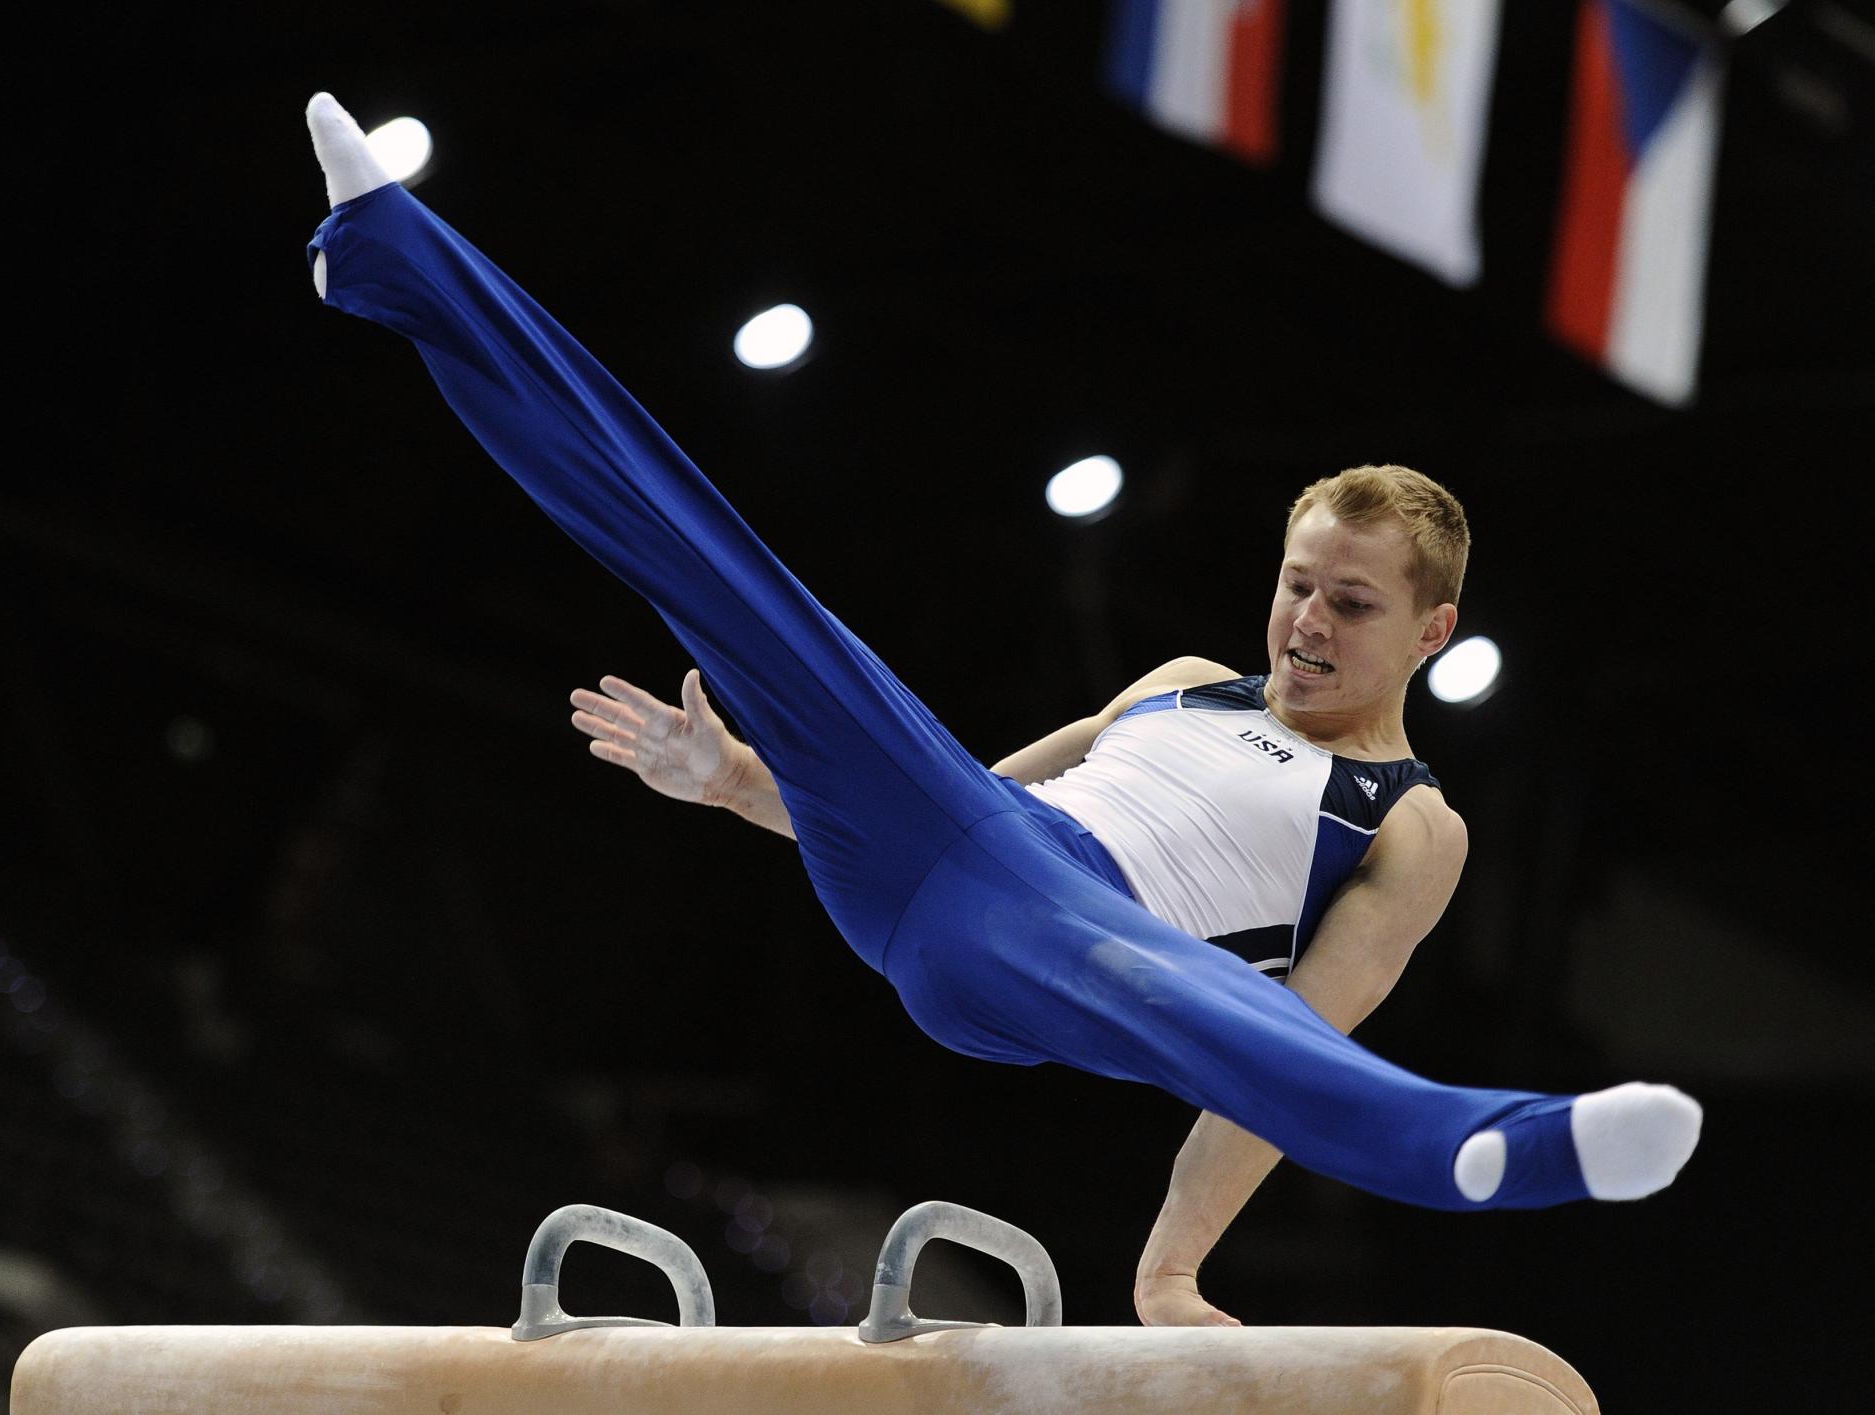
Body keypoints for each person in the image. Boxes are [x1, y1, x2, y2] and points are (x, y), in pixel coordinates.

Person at [303, 92, 1700, 1325]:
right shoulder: (1168, 688)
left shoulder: (1413, 825)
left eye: (1351, 605)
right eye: (1296, 586)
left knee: (1223, 1011)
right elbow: (957, 809)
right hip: (944, 877)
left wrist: (1165, 1274)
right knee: (721, 571)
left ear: (1432, 633)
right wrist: (739, 781)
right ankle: (391, 255)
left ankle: (1491, 1148)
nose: (1305, 624)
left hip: (1079, 959)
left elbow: (1274, 1054)